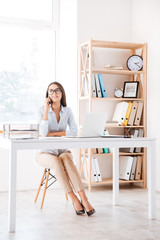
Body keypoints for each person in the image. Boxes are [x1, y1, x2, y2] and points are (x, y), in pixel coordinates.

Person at [36, 81, 95, 216]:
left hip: (63, 151)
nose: (54, 93)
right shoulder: (41, 110)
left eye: (57, 90)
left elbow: (74, 132)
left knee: (66, 159)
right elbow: (43, 133)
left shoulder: (67, 111)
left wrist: (54, 134)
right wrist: (46, 110)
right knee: (57, 162)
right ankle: (75, 199)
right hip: (45, 153)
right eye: (51, 91)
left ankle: (84, 199)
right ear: (47, 94)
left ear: (62, 93)